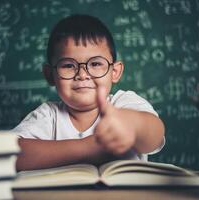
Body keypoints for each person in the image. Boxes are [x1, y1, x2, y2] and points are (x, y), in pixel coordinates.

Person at [12, 14, 165, 171]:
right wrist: (90, 147)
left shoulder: (123, 103)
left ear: (115, 72)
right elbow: (12, 155)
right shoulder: (49, 115)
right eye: (68, 65)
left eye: (96, 63)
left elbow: (155, 136)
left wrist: (131, 124)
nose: (82, 74)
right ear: (50, 74)